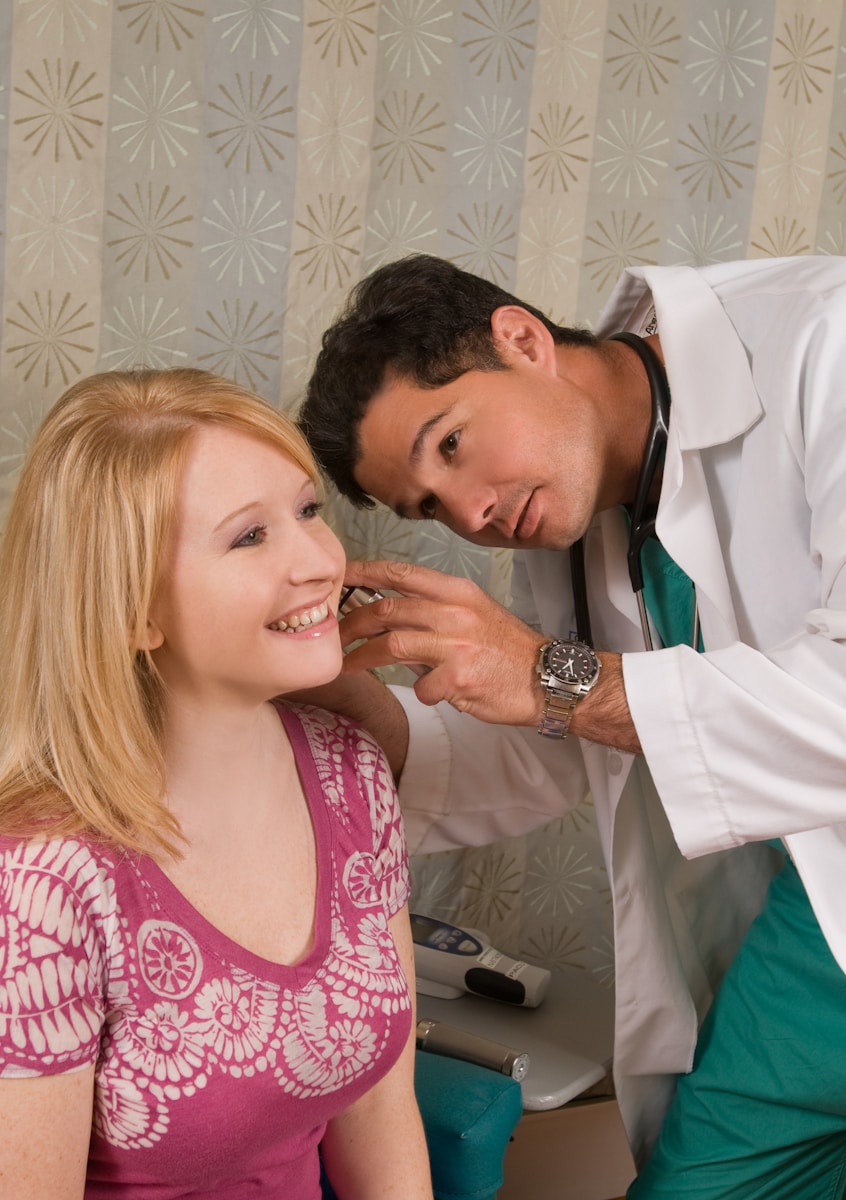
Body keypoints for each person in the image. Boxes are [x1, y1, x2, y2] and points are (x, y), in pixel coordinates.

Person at [299, 253, 846, 1199]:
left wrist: (549, 675)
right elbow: (559, 747)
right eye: (428, 506)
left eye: (454, 444)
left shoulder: (822, 343)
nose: (468, 512)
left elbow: (574, 692)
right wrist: (373, 730)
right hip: (808, 945)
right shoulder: (575, 516)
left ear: (522, 340)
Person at [0, 368, 433, 1200]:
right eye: (249, 537)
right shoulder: (43, 880)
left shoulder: (352, 774)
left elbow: (382, 1117)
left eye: (308, 511)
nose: (318, 561)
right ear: (133, 610)